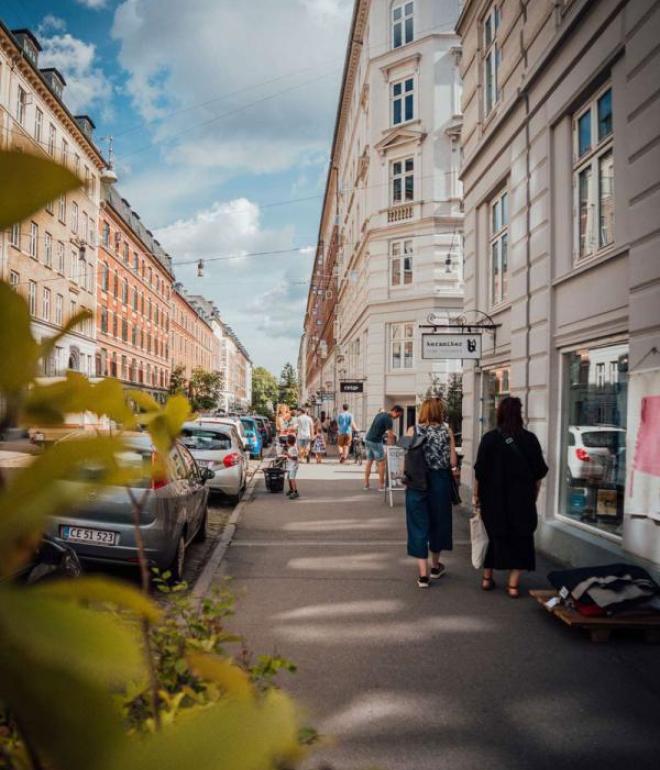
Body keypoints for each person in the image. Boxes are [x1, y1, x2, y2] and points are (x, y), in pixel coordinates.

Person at [473, 396, 548, 598]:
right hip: (521, 500)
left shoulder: (489, 439)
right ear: (519, 415)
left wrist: (476, 496)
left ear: (500, 414)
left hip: (493, 501)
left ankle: (487, 578)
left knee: (494, 538)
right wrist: (533, 496)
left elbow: (479, 472)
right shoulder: (530, 440)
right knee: (521, 540)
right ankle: (513, 585)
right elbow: (539, 474)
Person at [404, 398, 458, 588]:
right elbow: (452, 462)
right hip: (440, 482)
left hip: (417, 483)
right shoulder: (447, 431)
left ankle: (423, 574)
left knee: (418, 525)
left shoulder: (413, 430)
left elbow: (405, 454)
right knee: (438, 523)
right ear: (439, 411)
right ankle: (435, 566)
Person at [364, 405, 403, 491]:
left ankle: (366, 484)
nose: (398, 417)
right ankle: (381, 485)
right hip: (376, 441)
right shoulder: (389, 419)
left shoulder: (380, 414)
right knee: (382, 463)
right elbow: (390, 435)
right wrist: (391, 447)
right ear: (395, 411)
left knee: (369, 461)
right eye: (398, 415)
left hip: (367, 439)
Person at [284, 434, 300, 500]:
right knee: (289, 478)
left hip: (293, 466)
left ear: (288, 442)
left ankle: (295, 491)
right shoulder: (290, 448)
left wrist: (288, 455)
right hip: (290, 466)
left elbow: (295, 458)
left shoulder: (293, 449)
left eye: (286, 441)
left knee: (292, 479)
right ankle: (291, 489)